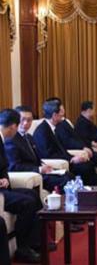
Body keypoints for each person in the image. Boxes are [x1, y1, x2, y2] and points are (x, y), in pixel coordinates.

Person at [0, 108, 42, 263]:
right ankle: (22, 248)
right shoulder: (5, 139)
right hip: (0, 193)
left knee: (32, 194)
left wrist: (4, 178)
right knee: (27, 202)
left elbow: (4, 167)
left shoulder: (3, 139)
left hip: (4, 187)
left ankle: (35, 242)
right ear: (13, 127)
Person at [5, 105, 73, 192]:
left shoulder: (28, 137)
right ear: (15, 121)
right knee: (65, 180)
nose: (26, 123)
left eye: (29, 120)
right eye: (22, 120)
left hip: (39, 171)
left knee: (68, 175)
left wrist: (44, 165)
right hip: (32, 174)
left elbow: (35, 158)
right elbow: (14, 166)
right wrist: (39, 169)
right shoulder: (11, 139)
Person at [33, 99, 97, 185]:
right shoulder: (42, 131)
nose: (63, 116)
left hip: (64, 159)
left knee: (88, 164)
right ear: (54, 115)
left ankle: (93, 193)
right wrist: (72, 159)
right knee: (85, 167)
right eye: (61, 113)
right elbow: (48, 154)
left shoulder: (53, 127)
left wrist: (74, 157)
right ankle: (87, 195)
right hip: (54, 163)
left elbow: (62, 149)